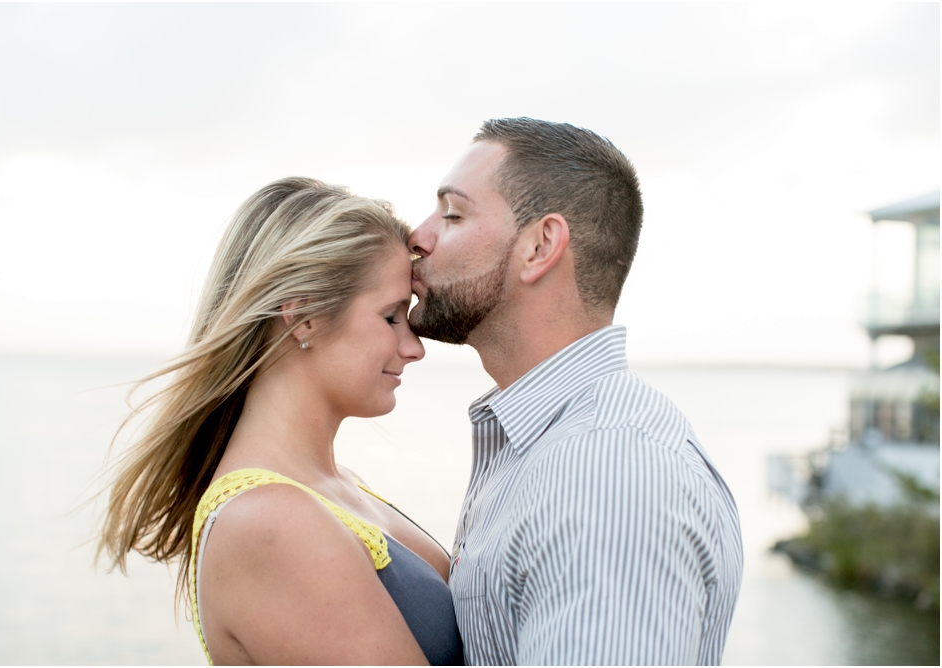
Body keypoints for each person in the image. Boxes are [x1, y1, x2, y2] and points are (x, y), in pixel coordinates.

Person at [407, 118, 743, 665]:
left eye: (452, 214)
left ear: (540, 246)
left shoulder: (608, 472)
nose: (418, 237)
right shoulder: (553, 444)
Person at [98, 178, 463, 665]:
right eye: (392, 317)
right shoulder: (268, 521)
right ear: (304, 316)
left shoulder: (331, 487)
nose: (414, 347)